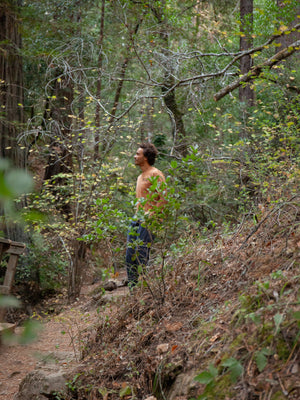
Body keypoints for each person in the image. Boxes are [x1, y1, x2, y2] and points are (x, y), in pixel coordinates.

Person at [125, 142, 166, 289]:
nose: (135, 156)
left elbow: (164, 198)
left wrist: (151, 216)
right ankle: (133, 293)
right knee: (130, 257)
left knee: (141, 256)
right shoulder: (139, 176)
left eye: (138, 154)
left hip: (148, 221)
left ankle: (145, 290)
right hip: (136, 220)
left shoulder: (156, 174)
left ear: (146, 157)